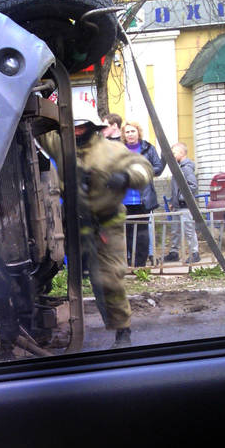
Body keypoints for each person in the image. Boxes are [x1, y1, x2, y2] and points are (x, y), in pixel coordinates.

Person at [40, 102, 153, 348]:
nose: (78, 133)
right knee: (58, 274)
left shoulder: (112, 151)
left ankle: (123, 332)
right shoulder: (60, 143)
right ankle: (69, 327)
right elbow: (36, 129)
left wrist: (126, 176)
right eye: (74, 128)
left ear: (94, 128)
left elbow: (143, 169)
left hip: (106, 227)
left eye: (83, 128)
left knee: (109, 280)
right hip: (73, 225)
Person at [120, 121, 165, 267]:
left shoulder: (148, 148)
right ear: (124, 135)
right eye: (127, 132)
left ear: (138, 132)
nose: (130, 134)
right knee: (127, 233)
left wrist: (143, 170)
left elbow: (158, 167)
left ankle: (140, 264)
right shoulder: (119, 150)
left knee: (142, 234)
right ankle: (129, 262)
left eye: (133, 131)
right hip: (124, 199)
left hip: (143, 199)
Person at [163, 143, 199, 263]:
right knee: (175, 230)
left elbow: (193, 186)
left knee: (189, 230)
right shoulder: (178, 167)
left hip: (185, 206)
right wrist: (174, 201)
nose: (172, 156)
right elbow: (177, 187)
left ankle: (195, 253)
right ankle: (174, 253)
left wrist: (181, 198)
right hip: (178, 206)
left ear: (182, 153)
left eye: (174, 153)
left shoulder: (186, 168)